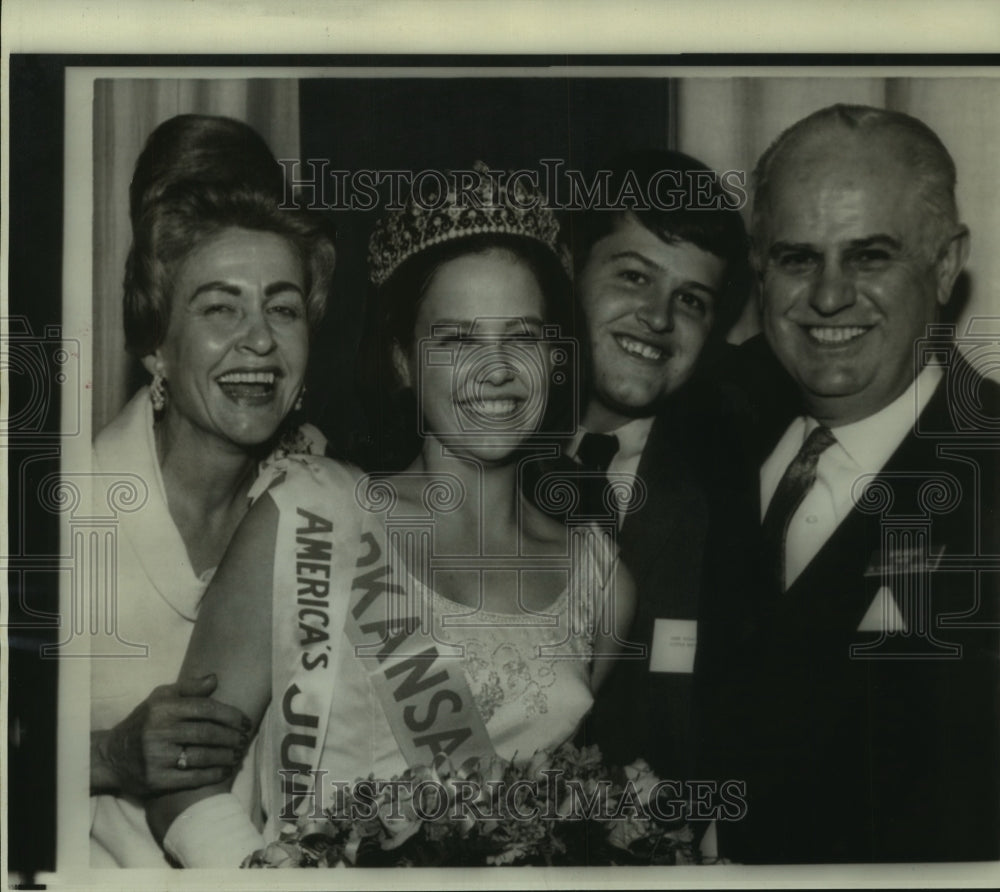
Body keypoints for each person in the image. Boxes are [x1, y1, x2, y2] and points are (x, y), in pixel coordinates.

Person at [143, 164, 636, 868]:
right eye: (458, 340)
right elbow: (182, 775)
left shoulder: (603, 582)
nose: (494, 371)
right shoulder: (308, 514)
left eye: (522, 337)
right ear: (404, 359)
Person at [696, 104, 1000, 863]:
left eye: (869, 257)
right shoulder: (708, 443)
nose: (829, 298)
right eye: (799, 258)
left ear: (943, 264)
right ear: (759, 268)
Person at [89, 114, 337, 867]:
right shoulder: (57, 508)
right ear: (155, 343)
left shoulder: (321, 501)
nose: (258, 340)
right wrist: (107, 757)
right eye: (220, 308)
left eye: (283, 308)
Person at [558, 151, 750, 790]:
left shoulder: (728, 495)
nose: (660, 318)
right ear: (568, 274)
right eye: (634, 277)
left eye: (692, 300)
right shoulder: (467, 453)